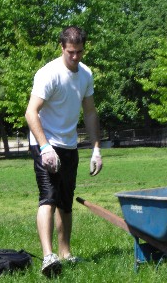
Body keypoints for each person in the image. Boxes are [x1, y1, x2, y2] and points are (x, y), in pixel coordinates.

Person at [25, 26, 103, 278]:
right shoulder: (48, 74)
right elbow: (30, 112)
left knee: (66, 202)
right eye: (71, 52)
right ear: (61, 47)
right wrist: (45, 146)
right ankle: (49, 257)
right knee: (48, 196)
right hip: (45, 142)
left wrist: (96, 149)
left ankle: (65, 252)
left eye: (80, 52)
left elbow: (90, 112)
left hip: (69, 145)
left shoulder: (86, 75)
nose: (76, 57)